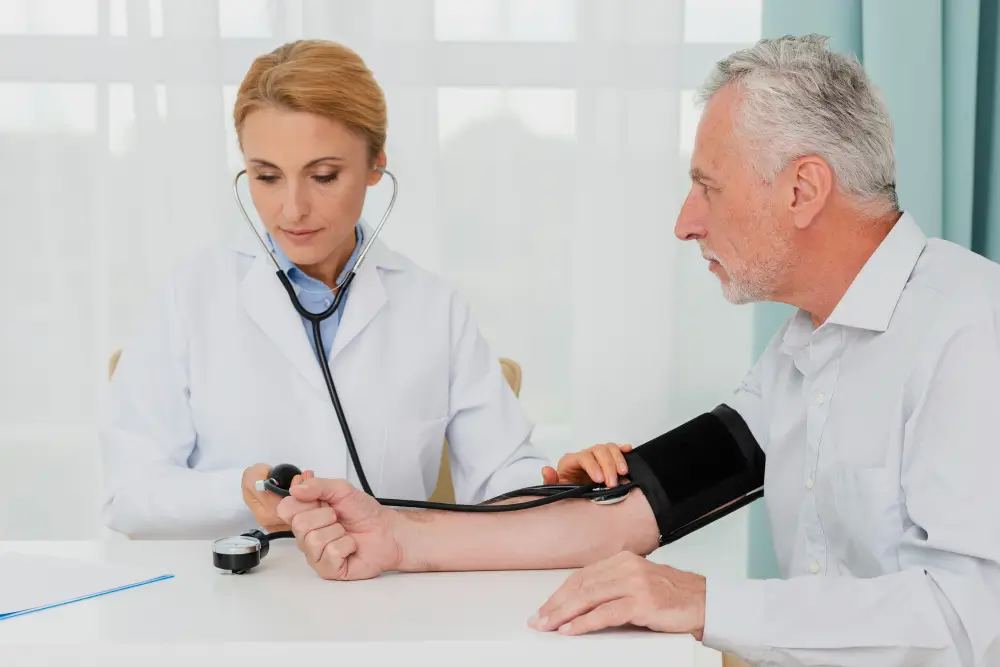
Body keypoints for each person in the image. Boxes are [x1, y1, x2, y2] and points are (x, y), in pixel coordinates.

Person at [271, 35, 1000, 667]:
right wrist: (394, 535)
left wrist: (704, 600)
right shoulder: (803, 350)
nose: (686, 223)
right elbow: (623, 514)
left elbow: (969, 623)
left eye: (706, 188)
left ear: (804, 189)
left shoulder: (971, 330)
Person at [98, 38, 626, 540]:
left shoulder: (432, 307)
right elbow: (130, 494)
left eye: (324, 175)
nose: (292, 209)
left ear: (376, 165)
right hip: (232, 601)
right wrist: (238, 492)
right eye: (266, 177)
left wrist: (561, 482)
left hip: (385, 601)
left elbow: (499, 475)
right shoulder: (189, 295)